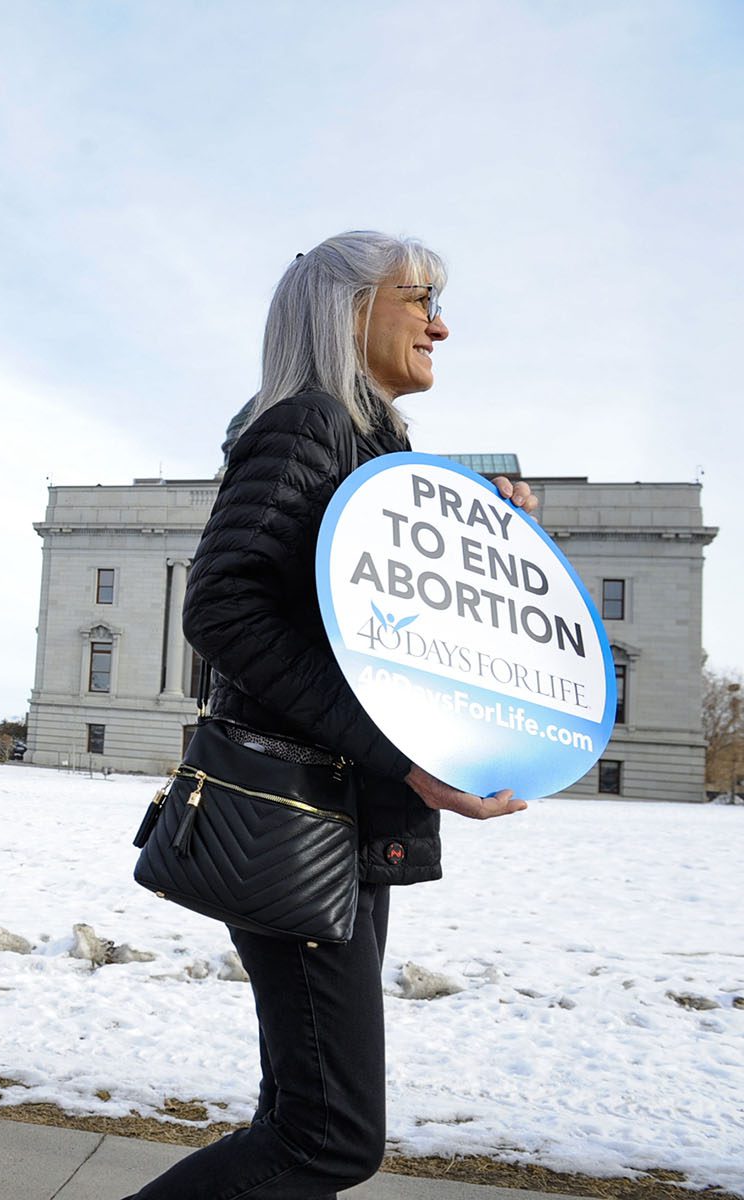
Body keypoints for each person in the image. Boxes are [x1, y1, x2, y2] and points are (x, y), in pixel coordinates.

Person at [124, 232, 536, 1199]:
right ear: (350, 310)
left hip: (340, 818)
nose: (442, 322)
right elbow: (222, 606)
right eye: (418, 299)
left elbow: (376, 627)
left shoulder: (375, 445)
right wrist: (399, 756)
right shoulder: (306, 422)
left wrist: (478, 530)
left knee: (296, 1118)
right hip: (296, 817)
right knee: (329, 1140)